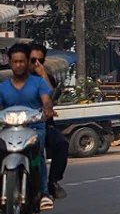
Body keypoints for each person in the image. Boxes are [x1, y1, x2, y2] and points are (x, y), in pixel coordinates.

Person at [0, 43, 55, 211]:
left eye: (22, 61)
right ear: (10, 62)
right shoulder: (2, 87)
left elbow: (46, 99)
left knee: (37, 152)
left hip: (34, 127)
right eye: (15, 61)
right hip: (9, 129)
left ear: (26, 62)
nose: (18, 65)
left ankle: (44, 193)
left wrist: (47, 109)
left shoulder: (38, 83)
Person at [29, 44, 68, 201]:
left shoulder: (46, 79)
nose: (36, 63)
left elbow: (51, 97)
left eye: (40, 60)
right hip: (17, 126)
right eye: (33, 60)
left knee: (61, 143)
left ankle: (52, 182)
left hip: (41, 126)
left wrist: (43, 75)